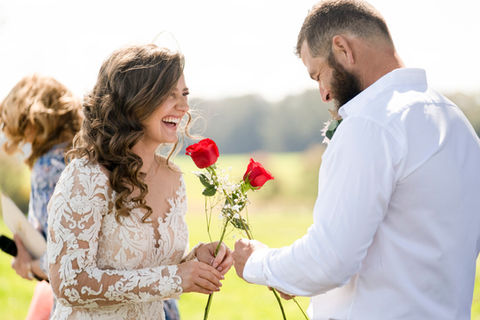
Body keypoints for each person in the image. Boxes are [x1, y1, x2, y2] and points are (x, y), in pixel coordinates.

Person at [232, 1, 480, 319]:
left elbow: (330, 260)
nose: (323, 93)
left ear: (343, 49)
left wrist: (256, 262)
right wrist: (299, 273)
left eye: (318, 74)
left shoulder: (370, 123)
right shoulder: (456, 123)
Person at [47, 44, 233, 320]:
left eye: (184, 95)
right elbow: (70, 283)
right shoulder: (86, 176)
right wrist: (174, 278)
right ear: (135, 100)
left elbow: (154, 269)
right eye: (169, 95)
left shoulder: (174, 178)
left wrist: (195, 260)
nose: (183, 107)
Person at [0, 74, 83, 319]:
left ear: (33, 122)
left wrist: (32, 265)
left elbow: (65, 261)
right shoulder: (87, 157)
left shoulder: (48, 168)